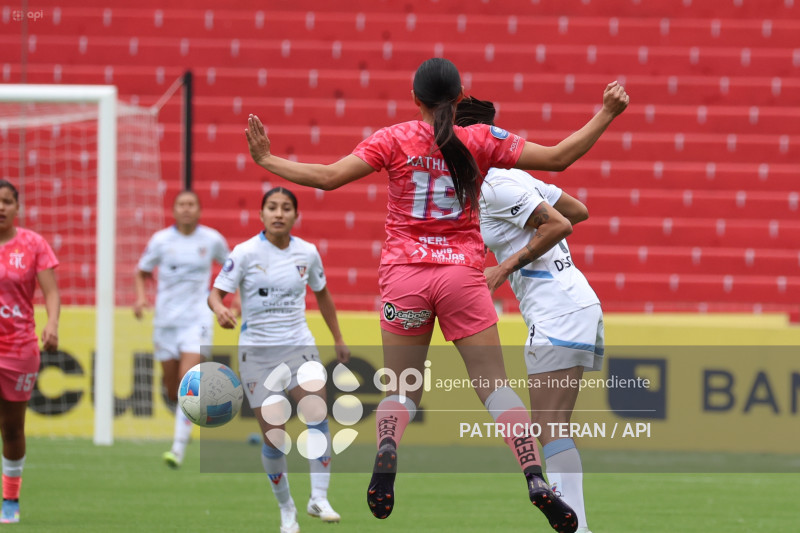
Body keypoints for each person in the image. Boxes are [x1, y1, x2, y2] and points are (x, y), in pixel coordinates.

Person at [244, 57, 627, 532]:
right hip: (462, 277)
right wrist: (607, 112)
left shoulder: (393, 137)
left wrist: (266, 159)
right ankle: (533, 475)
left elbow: (327, 178)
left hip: (404, 276)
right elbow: (559, 158)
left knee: (401, 389)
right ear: (461, 96)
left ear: (415, 100)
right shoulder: (481, 138)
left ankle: (388, 448)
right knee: (495, 388)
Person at [457, 96, 601, 533]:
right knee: (552, 425)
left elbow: (560, 224)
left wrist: (504, 265)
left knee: (548, 425)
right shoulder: (512, 177)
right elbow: (577, 210)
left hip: (558, 307)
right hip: (574, 301)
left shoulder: (495, 187)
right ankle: (576, 525)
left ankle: (578, 529)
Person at [208, 187, 351, 533]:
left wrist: (338, 337)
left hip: (298, 346)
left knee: (317, 412)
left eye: (286, 208)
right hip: (257, 354)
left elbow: (323, 295)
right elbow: (215, 294)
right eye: (272, 207)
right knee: (274, 437)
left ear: (295, 216)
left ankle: (319, 496)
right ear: (261, 215)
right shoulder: (244, 253)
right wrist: (221, 310)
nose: (279, 213)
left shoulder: (308, 253)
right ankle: (287, 509)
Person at [134, 190, 229, 468]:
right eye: (181, 205)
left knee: (190, 382)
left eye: (191, 205)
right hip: (165, 322)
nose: (186, 209)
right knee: (172, 387)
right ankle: (184, 426)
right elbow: (141, 272)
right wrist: (141, 298)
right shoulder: (161, 241)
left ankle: (177, 448)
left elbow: (234, 268)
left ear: (199, 210)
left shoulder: (211, 240)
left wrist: (232, 301)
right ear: (174, 210)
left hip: (196, 319)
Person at [0, 180, 60, 524]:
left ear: (17, 208)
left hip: (19, 348)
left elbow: (51, 292)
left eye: (7, 201)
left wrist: (52, 323)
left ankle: (10, 498)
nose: (1, 207)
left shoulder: (33, 244)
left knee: (12, 429)